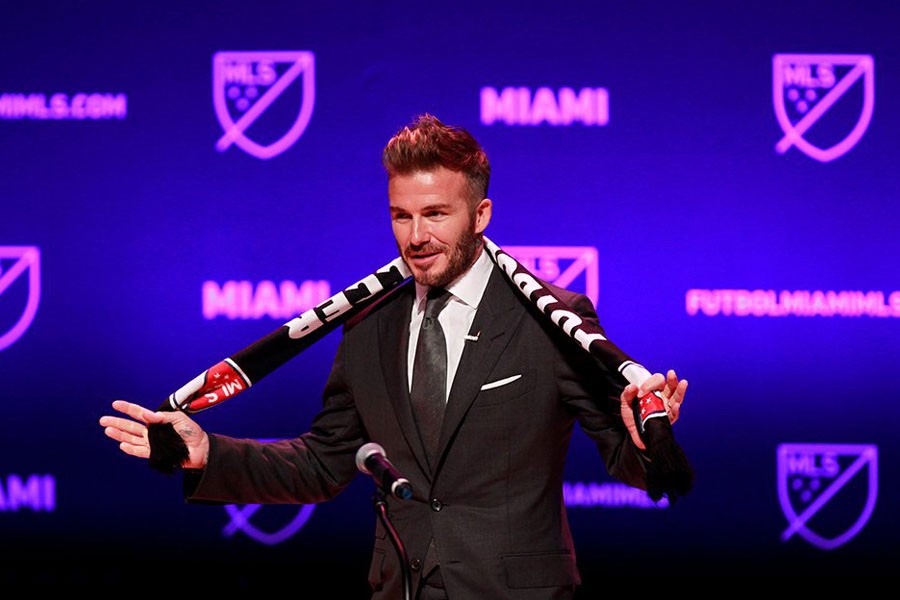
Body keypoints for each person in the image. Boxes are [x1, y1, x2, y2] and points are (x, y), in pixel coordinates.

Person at [100, 113, 688, 599]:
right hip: (399, 589)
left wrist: (642, 442)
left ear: (480, 216)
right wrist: (209, 454)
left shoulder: (549, 319)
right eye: (401, 216)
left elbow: (628, 458)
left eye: (436, 214)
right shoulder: (368, 323)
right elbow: (326, 462)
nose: (415, 237)